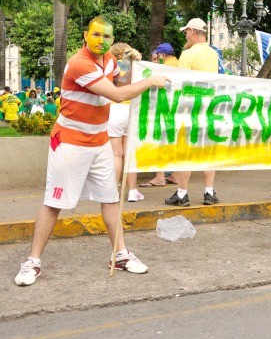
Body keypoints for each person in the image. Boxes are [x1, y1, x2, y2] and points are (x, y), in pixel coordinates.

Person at [14, 15, 169, 286]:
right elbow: (117, 95)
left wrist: (136, 67)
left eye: (107, 36)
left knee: (110, 198)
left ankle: (120, 255)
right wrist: (150, 81)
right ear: (86, 35)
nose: (101, 41)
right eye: (96, 35)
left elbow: (119, 84)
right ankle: (33, 261)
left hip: (98, 141)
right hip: (71, 141)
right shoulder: (79, 64)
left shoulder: (109, 59)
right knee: (55, 203)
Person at [165, 18, 220, 207]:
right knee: (207, 152)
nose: (185, 36)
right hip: (209, 108)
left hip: (190, 109)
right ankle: (209, 192)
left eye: (186, 32)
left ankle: (182, 194)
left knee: (185, 152)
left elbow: (181, 84)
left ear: (192, 31)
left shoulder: (187, 55)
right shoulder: (213, 54)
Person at [107, 42, 145, 202]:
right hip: (131, 111)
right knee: (129, 154)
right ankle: (133, 191)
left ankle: (113, 192)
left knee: (116, 154)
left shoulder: (110, 67)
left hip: (114, 110)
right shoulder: (136, 68)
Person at [141, 42, 179, 187]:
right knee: (172, 143)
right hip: (177, 109)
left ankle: (159, 177)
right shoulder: (179, 63)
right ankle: (174, 175)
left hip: (164, 108)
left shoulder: (162, 67)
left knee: (161, 142)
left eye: (157, 56)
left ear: (162, 55)